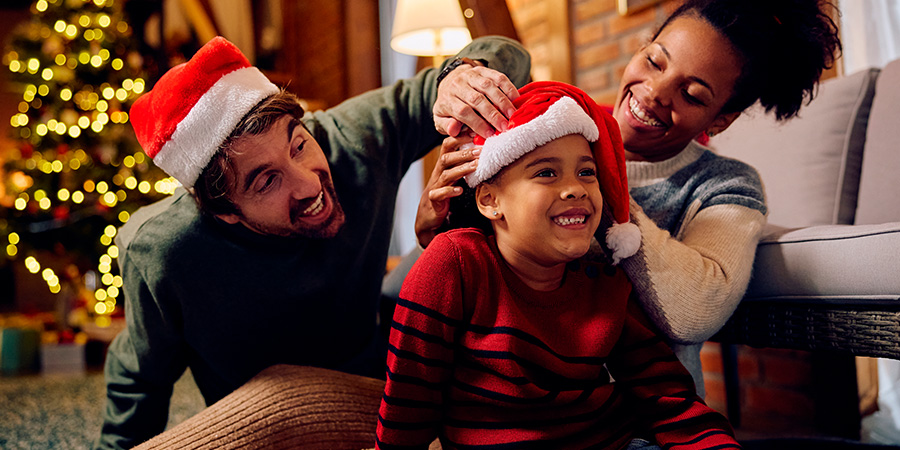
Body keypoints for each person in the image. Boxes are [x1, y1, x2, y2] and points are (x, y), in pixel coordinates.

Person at [96, 35, 531, 449]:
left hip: (380, 357)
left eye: (299, 144)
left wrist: (459, 79)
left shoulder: (351, 137)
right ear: (223, 210)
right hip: (266, 410)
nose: (308, 184)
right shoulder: (164, 250)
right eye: (267, 181)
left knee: (444, 252)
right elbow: (141, 379)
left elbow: (509, 57)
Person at [411, 0, 841, 397]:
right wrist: (434, 227)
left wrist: (607, 184)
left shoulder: (728, 185)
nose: (654, 92)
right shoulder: (556, 129)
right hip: (521, 404)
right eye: (654, 60)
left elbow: (694, 313)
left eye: (692, 94)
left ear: (721, 119)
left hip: (645, 416)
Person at [376, 81, 739, 449]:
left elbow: (667, 399)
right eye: (546, 173)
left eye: (587, 173)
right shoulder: (455, 263)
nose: (576, 189)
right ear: (489, 200)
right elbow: (409, 404)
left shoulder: (606, 283)